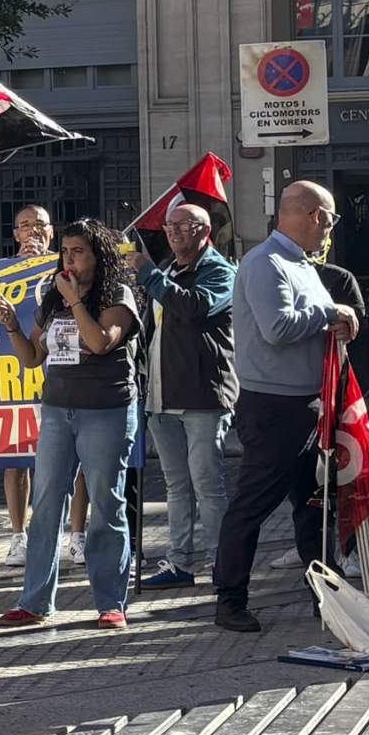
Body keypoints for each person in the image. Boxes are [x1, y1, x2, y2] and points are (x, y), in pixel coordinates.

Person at [214, 182, 360, 633]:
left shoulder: (300, 264)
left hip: (307, 402)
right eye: (330, 221)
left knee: (315, 506)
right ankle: (230, 597)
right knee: (253, 503)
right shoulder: (266, 263)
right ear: (314, 216)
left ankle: (326, 594)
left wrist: (333, 319)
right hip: (274, 404)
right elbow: (277, 328)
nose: (329, 232)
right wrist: (329, 313)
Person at [0, 219, 142, 629]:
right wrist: (12, 326)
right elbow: (31, 357)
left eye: (78, 252)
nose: (69, 259)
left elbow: (99, 343)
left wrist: (76, 301)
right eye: (65, 252)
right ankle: (35, 601)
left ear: (99, 256)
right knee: (44, 507)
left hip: (105, 411)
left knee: (107, 504)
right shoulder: (52, 299)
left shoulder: (117, 294)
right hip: (58, 411)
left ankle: (111, 602)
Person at [128, 203, 238, 590]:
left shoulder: (220, 271)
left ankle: (223, 563)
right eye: (168, 225)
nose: (172, 231)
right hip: (161, 395)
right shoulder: (168, 270)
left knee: (208, 484)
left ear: (204, 231)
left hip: (203, 395)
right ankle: (180, 563)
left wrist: (148, 275)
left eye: (182, 225)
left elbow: (194, 308)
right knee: (176, 485)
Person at [1, 205, 91, 568]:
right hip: (14, 371)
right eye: (25, 226)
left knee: (78, 458)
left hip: (62, 374)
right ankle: (18, 537)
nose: (32, 231)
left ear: (52, 233)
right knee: (14, 457)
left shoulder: (66, 269)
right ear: (15, 235)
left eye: (39, 225)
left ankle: (77, 535)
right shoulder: (1, 270)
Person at [268, 259, 368, 576]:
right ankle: (306, 547)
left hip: (337, 389)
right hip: (300, 393)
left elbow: (356, 325)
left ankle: (349, 550)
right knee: (304, 482)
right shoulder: (278, 274)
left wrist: (344, 324)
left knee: (344, 474)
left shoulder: (340, 276)